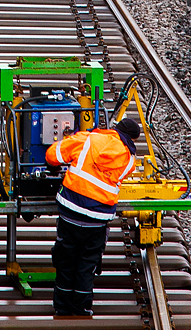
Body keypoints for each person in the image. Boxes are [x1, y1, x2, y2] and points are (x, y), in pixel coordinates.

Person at [45, 117, 139, 317]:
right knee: (87, 264)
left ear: (114, 130)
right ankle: (82, 308)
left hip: (71, 210)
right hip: (98, 217)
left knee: (66, 260)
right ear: (131, 140)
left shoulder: (88, 139)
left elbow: (52, 156)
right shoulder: (130, 160)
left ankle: (61, 307)